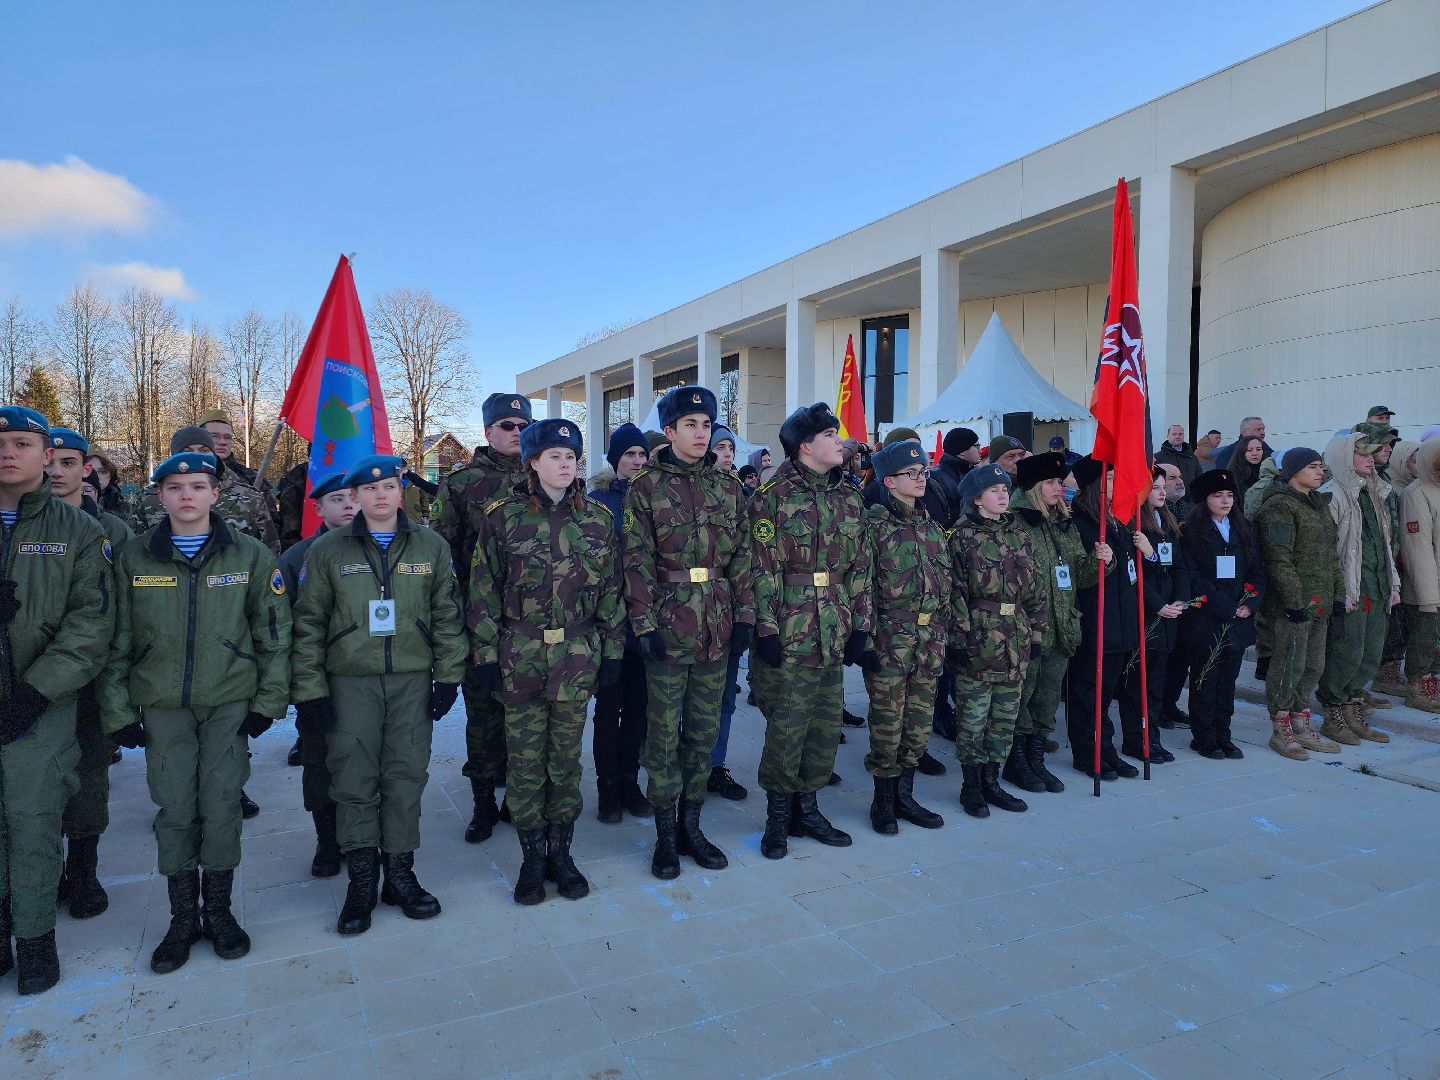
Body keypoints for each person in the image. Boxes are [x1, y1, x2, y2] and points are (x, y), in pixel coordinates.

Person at [101, 451, 290, 974]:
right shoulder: (135, 558)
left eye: (198, 485)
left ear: (214, 494)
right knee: (176, 807)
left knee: (222, 803)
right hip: (161, 705)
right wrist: (118, 709)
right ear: (158, 495)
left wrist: (268, 703)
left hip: (229, 702)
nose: (187, 495)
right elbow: (115, 638)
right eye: (175, 486)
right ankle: (182, 917)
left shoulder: (248, 555)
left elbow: (273, 632)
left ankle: (221, 912)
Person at [291, 454, 467, 934]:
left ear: (400, 489)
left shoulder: (430, 546)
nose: (380, 496)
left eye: (389, 486)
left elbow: (447, 614)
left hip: (411, 680)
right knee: (352, 779)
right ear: (355, 497)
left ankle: (401, 874)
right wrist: (310, 690)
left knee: (406, 776)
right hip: (350, 683)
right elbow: (308, 625)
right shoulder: (327, 551)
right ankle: (362, 881)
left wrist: (449, 677)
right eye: (369, 490)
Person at [470, 421, 624, 904]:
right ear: (532, 462)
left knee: (564, 760)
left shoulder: (597, 519)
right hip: (521, 655)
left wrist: (614, 651)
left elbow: (612, 591)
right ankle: (531, 857)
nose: (565, 464)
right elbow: (482, 592)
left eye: (571, 456)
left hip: (577, 656)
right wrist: (486, 655)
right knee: (525, 763)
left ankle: (562, 852)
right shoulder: (502, 518)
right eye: (554, 455)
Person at [0, 405, 113, 995]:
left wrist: (36, 690)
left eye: (21, 442)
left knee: (34, 816)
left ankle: (36, 939)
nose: (7, 452)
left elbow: (90, 625)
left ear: (47, 457)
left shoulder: (79, 532)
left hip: (40, 702)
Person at [623, 387, 753, 877]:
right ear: (670, 431)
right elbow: (634, 558)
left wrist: (744, 618)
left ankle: (691, 825)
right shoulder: (645, 487)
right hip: (669, 626)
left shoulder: (728, 487)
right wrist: (644, 622)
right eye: (691, 425)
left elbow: (743, 557)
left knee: (702, 732)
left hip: (717, 625)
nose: (701, 434)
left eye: (706, 425)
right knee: (663, 734)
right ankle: (663, 833)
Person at [750, 403, 872, 859]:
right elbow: (760, 570)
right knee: (787, 726)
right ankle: (778, 816)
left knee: (824, 724)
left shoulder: (848, 496)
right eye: (829, 434)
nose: (839, 440)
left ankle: (809, 806)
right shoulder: (772, 497)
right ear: (805, 446)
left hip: (834, 629)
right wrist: (764, 630)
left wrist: (861, 625)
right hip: (790, 627)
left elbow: (861, 567)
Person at [434, 393, 530, 844]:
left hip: (533, 619)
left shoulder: (545, 475)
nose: (516, 433)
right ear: (489, 430)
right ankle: (482, 803)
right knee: (484, 714)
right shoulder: (461, 482)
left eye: (522, 425)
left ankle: (518, 796)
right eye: (507, 425)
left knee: (526, 712)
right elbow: (443, 552)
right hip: (483, 618)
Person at [44, 428, 132, 920]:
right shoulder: (20, 523)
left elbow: (126, 605)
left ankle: (82, 871)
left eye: (70, 462)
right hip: (31, 670)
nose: (57, 471)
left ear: (87, 470)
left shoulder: (114, 531)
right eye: (51, 461)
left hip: (92, 674)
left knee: (88, 773)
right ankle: (41, 868)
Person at [947, 463, 1047, 816]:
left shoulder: (1019, 535)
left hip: (1014, 639)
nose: (1003, 495)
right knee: (973, 719)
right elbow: (954, 592)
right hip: (978, 638)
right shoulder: (960, 537)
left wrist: (1035, 634)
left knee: (1004, 718)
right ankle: (971, 785)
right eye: (994, 490)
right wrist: (959, 640)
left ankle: (992, 781)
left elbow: (1036, 591)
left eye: (1005, 489)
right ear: (976, 498)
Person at [861, 439, 948, 834]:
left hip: (929, 639)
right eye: (911, 474)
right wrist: (865, 641)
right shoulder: (874, 528)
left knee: (918, 722)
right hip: (890, 639)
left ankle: (905, 795)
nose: (921, 479)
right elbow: (862, 587)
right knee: (887, 722)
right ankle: (882, 800)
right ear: (889, 481)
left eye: (923, 472)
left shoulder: (932, 528)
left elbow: (947, 586)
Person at [276, 473, 358, 877]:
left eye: (354, 497)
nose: (348, 506)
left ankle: (362, 838)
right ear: (317, 508)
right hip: (319, 681)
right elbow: (282, 626)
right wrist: (301, 689)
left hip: (370, 680)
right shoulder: (297, 559)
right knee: (321, 763)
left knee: (367, 763)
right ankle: (327, 841)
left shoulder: (385, 551)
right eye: (337, 498)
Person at [1008, 451, 1098, 795]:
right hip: (1028, 628)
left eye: (1061, 482)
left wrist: (1100, 561)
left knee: (1046, 700)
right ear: (1033, 487)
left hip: (1062, 627)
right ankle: (1017, 762)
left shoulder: (1064, 522)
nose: (1060, 488)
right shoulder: (1015, 522)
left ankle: (1036, 758)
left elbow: (1080, 575)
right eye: (1051, 482)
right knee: (1023, 698)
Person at [1254, 448, 1344, 759]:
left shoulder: (1317, 505)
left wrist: (1338, 595)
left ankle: (1301, 722)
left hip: (1320, 602)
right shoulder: (1279, 507)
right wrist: (1293, 601)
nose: (1321, 472)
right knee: (1288, 665)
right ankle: (1281, 730)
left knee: (1313, 665)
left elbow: (1332, 556)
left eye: (1322, 466)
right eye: (1313, 467)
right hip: (1292, 606)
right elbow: (1278, 559)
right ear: (1293, 472)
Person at [587, 423, 653, 821]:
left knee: (640, 709)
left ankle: (631, 782)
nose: (637, 461)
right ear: (615, 459)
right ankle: (607, 789)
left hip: (647, 624)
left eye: (642, 455)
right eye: (629, 455)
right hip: (610, 625)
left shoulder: (655, 497)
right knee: (608, 709)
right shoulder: (597, 502)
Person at [1316, 431, 1398, 745]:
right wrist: (1338, 593)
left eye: (1372, 454)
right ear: (1344, 457)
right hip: (1352, 589)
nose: (1370, 459)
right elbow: (1326, 551)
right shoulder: (1332, 494)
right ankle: (1333, 713)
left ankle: (1352, 708)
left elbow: (1385, 544)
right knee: (1346, 652)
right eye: (1362, 454)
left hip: (1377, 586)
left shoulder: (1376, 491)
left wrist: (1394, 584)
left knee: (1370, 654)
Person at [1179, 470, 1266, 759]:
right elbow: (1194, 576)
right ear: (1205, 500)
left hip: (1238, 618)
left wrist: (1249, 604)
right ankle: (1203, 736)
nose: (1225, 500)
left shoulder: (1245, 528)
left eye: (1229, 495)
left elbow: (1257, 572)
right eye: (1218, 495)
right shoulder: (1191, 531)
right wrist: (1224, 606)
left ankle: (1223, 733)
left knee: (1228, 680)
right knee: (1205, 678)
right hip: (1207, 617)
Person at [1064, 457, 1135, 780]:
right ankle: (1087, 751)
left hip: (1118, 618)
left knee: (1106, 692)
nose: (1115, 485)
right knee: (1086, 690)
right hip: (1093, 618)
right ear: (1094, 484)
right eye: (1109, 479)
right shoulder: (1079, 523)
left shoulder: (1115, 520)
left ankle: (1106, 748)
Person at [1115, 468, 1188, 765]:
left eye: (1162, 486)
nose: (1160, 491)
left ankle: (1151, 737)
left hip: (1169, 611)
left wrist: (1181, 599)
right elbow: (1135, 575)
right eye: (1154, 487)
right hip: (1147, 614)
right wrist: (1158, 604)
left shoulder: (1166, 522)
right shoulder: (1134, 524)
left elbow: (1180, 566)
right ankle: (1137, 740)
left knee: (1156, 684)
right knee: (1139, 685)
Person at [132, 426, 281, 556]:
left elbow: (269, 549)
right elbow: (136, 548)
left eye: (204, 450)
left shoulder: (249, 497)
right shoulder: (147, 499)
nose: (197, 456)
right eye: (187, 451)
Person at [1400, 439, 1440, 712]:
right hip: (1428, 584)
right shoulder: (1417, 493)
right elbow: (1418, 547)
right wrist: (1428, 594)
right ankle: (1418, 685)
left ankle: (1432, 681)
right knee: (1424, 637)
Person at [921, 427, 980, 531]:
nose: (980, 450)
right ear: (962, 451)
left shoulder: (975, 474)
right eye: (976, 446)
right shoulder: (936, 477)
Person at [197, 409, 268, 494]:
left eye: (227, 437)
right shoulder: (183, 474)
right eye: (214, 436)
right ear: (200, 438)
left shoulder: (252, 478)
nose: (222, 442)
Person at [85, 451, 129, 523]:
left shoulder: (123, 507)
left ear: (111, 476)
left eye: (102, 472)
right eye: (89, 470)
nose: (96, 476)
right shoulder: (66, 503)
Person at [1155, 425, 1202, 490]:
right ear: (1168, 436)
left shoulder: (1192, 458)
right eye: (1174, 434)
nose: (1177, 436)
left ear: (1183, 436)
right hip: (1169, 498)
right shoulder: (1158, 457)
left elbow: (1199, 479)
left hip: (1191, 498)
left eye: (1180, 434)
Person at [1229, 435, 1267, 509]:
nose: (1255, 453)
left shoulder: (1268, 471)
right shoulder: (1234, 474)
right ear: (1242, 452)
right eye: (1249, 450)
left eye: (1258, 449)